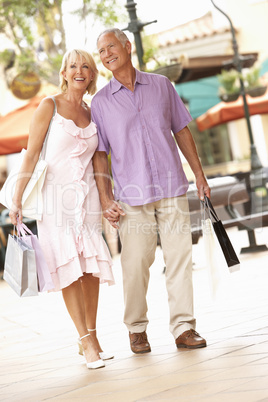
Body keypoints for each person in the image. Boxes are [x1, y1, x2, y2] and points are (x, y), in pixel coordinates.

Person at [91, 28, 211, 354]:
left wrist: (199, 175)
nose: (105, 55)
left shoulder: (161, 85)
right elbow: (99, 154)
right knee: (134, 264)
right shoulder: (100, 103)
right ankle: (136, 328)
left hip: (172, 186)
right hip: (131, 196)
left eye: (110, 47)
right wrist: (105, 198)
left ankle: (184, 327)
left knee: (180, 260)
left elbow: (182, 130)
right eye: (100, 51)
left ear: (127, 46)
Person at [9, 49, 115, 369]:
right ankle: (85, 340)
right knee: (69, 267)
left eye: (86, 66)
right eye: (73, 66)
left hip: (88, 200)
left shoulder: (95, 111)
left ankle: (92, 336)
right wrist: (16, 199)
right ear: (64, 73)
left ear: (93, 74)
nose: (80, 70)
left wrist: (107, 198)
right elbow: (30, 155)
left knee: (91, 269)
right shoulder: (49, 106)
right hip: (55, 201)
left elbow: (100, 159)